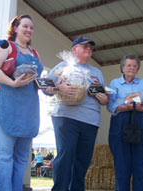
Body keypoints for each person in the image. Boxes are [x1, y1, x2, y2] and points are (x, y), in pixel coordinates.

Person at [0, 15, 43, 191]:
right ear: (16, 28)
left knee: (21, 158)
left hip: (28, 108)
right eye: (25, 26)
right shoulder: (6, 46)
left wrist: (53, 87)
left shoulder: (35, 54)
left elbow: (37, 82)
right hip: (5, 102)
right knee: (3, 156)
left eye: (31, 28)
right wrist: (12, 83)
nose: (29, 30)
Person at [45, 36, 108, 191]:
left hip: (91, 121)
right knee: (66, 156)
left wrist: (104, 98)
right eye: (84, 46)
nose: (88, 49)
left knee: (83, 160)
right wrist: (60, 88)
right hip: (66, 117)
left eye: (90, 47)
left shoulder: (97, 72)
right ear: (74, 50)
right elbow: (46, 88)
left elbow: (105, 99)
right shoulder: (62, 66)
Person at [107, 54, 143, 191]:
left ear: (138, 69)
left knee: (141, 165)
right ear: (122, 68)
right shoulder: (114, 83)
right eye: (128, 65)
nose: (132, 68)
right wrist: (125, 105)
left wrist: (141, 107)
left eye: (135, 66)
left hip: (140, 121)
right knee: (121, 166)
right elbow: (110, 105)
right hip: (119, 123)